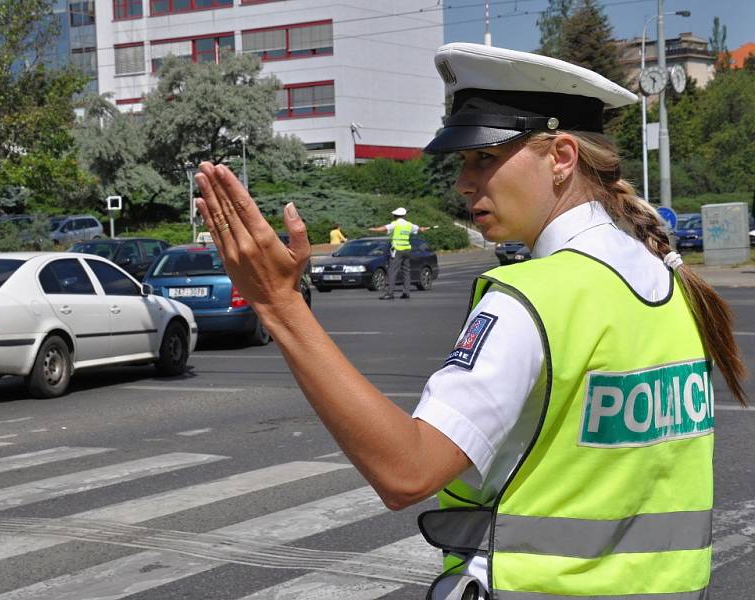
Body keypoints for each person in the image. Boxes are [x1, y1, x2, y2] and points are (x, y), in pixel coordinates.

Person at [193, 43, 746, 600]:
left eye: (484, 157)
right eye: (463, 160)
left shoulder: (532, 297)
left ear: (562, 157)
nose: (464, 181)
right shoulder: (667, 283)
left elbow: (407, 472)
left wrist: (280, 306)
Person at [369, 207, 430, 299]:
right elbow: (419, 229)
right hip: (406, 250)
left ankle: (390, 293)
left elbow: (384, 228)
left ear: (395, 216)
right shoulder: (409, 225)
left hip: (397, 250)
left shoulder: (395, 224)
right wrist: (423, 228)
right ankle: (406, 293)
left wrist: (374, 229)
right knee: (406, 272)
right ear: (404, 215)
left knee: (392, 271)